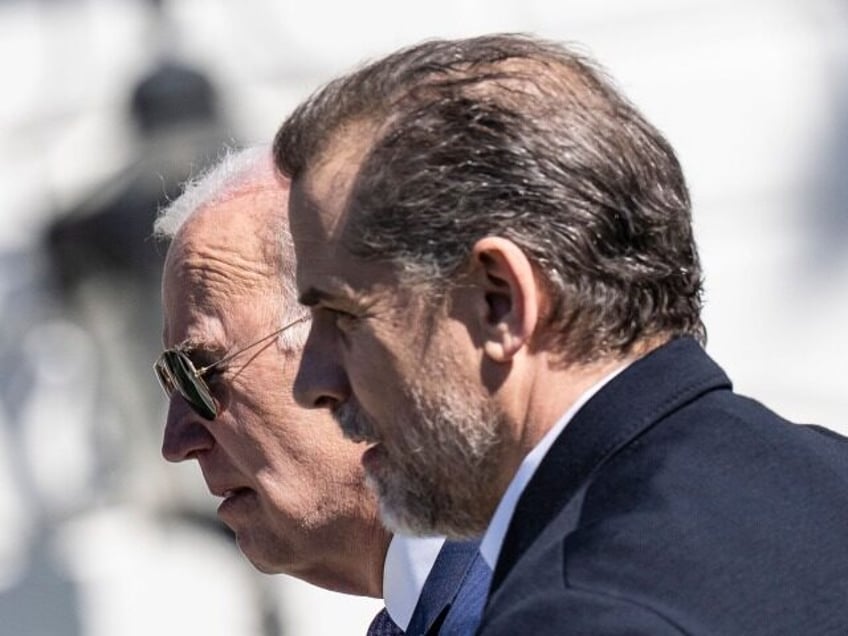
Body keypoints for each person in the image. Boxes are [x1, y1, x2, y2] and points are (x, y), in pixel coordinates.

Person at [272, 33, 848, 635]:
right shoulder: (825, 477)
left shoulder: (583, 612)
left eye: (343, 315)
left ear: (501, 301)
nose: (313, 384)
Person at [152, 146, 490, 635]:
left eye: (198, 371)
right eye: (169, 379)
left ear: (355, 345)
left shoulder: (535, 605)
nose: (176, 442)